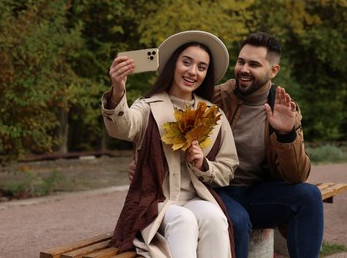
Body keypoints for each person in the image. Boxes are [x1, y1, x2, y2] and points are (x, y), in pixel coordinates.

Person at [129, 32, 324, 258]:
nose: (243, 69)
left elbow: (297, 176)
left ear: (273, 71)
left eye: (254, 64)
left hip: (258, 192)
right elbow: (164, 120)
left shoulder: (283, 108)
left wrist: (285, 134)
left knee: (309, 196)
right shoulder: (216, 96)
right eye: (241, 61)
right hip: (214, 190)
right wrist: (140, 162)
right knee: (237, 220)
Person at [102, 30, 239, 258]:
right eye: (186, 62)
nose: (192, 71)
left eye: (201, 67)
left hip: (196, 197)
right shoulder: (147, 106)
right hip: (155, 202)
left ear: (207, 73)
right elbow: (122, 127)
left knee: (215, 216)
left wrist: (203, 164)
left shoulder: (213, 115)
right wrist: (118, 88)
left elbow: (228, 167)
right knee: (183, 220)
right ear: (172, 64)